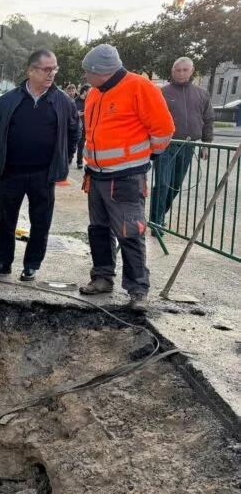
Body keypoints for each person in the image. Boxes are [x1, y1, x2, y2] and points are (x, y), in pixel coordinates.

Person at [79, 44, 175, 312]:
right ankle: (102, 277)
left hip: (126, 177)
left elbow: (164, 129)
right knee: (98, 229)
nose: (85, 76)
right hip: (96, 175)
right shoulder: (95, 93)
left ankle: (137, 290)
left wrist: (147, 155)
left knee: (130, 232)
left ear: (103, 72)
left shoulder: (140, 88)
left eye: (88, 72)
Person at [0, 50, 79, 282]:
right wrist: (1, 157)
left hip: (43, 174)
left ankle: (31, 265)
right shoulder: (9, 100)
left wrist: (65, 159)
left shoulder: (63, 102)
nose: (52, 74)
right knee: (6, 220)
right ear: (31, 70)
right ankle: (3, 263)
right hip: (11, 172)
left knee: (40, 222)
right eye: (47, 69)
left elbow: (73, 132)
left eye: (54, 69)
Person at [152, 56, 215, 229]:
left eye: (185, 70)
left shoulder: (202, 94)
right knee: (163, 184)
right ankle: (156, 222)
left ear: (192, 71)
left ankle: (159, 215)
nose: (181, 73)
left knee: (176, 185)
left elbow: (208, 119)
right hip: (165, 146)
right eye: (178, 70)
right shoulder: (162, 93)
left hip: (188, 146)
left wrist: (206, 143)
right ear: (172, 71)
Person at [75, 85, 90, 169]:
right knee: (76, 143)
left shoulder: (89, 100)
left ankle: (80, 162)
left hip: (86, 126)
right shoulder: (75, 101)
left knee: (82, 145)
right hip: (76, 126)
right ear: (84, 91)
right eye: (89, 91)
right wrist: (76, 113)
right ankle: (70, 157)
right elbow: (70, 113)